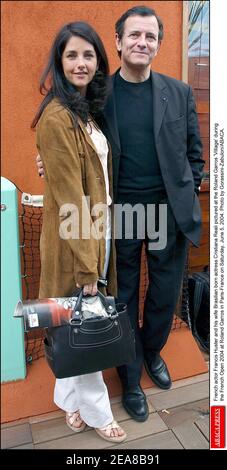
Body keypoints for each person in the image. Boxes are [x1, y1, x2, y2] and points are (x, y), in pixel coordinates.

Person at [36, 6, 205, 423]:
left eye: (150, 36)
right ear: (117, 41)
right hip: (121, 214)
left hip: (167, 212)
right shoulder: (97, 96)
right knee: (124, 296)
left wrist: (186, 186)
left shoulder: (179, 92)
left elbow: (193, 153)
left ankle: (152, 351)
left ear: (159, 44)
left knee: (165, 292)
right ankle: (129, 378)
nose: (141, 42)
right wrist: (46, 160)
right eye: (134, 35)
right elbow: (78, 143)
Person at [32, 21, 126, 443]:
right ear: (59, 61)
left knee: (73, 324)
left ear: (99, 62)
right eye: (72, 55)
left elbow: (88, 171)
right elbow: (72, 201)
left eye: (88, 55)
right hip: (78, 238)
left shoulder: (85, 111)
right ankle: (100, 413)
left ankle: (69, 403)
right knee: (88, 327)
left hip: (95, 228)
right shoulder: (57, 117)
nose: (81, 62)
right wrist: (89, 268)